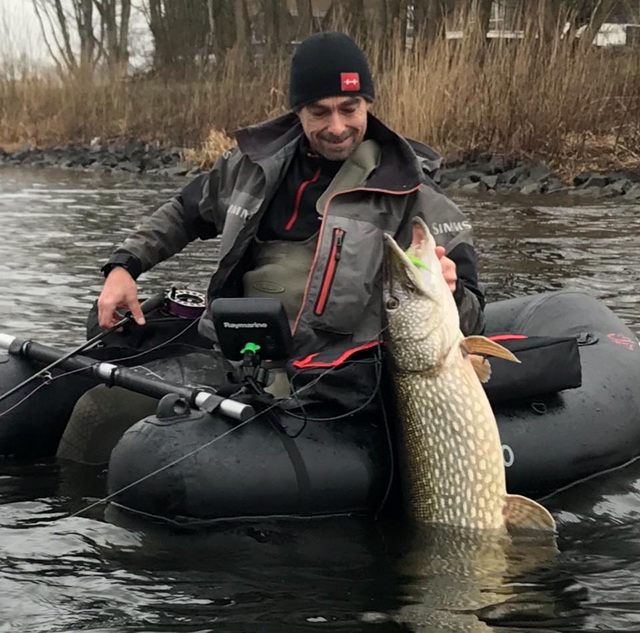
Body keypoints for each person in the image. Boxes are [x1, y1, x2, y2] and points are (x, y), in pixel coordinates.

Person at [97, 32, 485, 392]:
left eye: (349, 109)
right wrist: (123, 267)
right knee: (99, 393)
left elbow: (473, 317)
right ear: (297, 111)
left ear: (367, 103)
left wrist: (451, 292)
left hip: (336, 379)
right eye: (320, 112)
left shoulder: (414, 189)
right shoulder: (249, 165)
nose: (337, 127)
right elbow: (182, 213)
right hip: (239, 354)